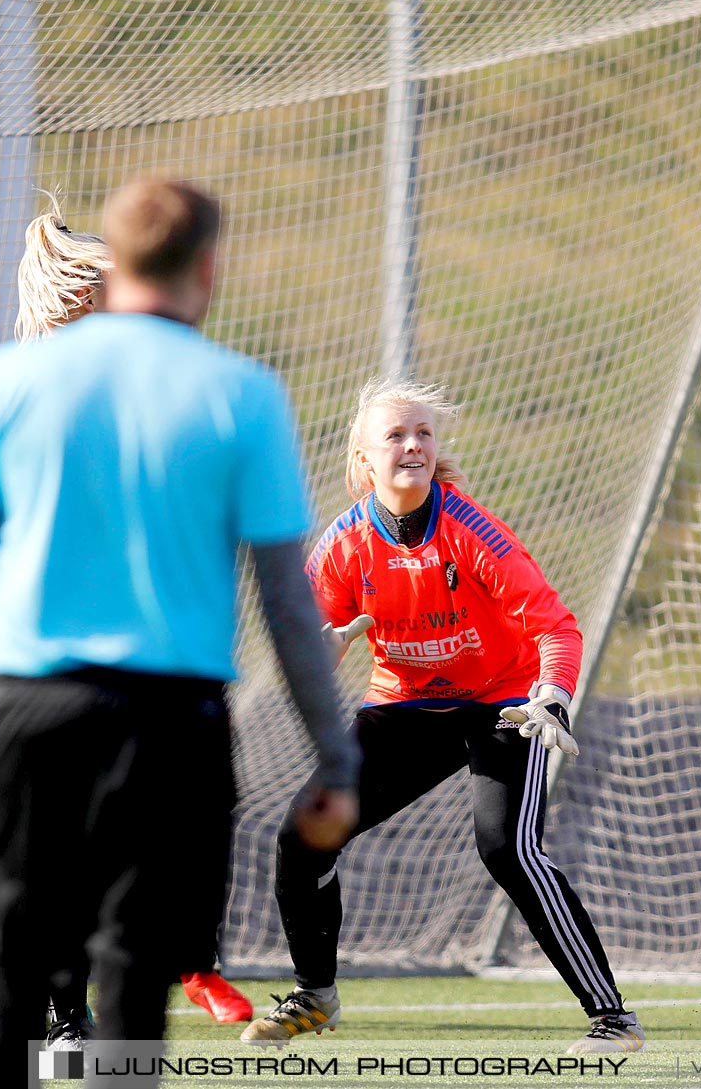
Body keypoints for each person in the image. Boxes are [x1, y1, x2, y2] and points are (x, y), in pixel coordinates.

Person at [0, 174, 360, 1089]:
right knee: (133, 976)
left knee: (17, 952)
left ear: (114, 264)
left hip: (29, 707)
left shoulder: (11, 379)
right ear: (208, 263)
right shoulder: (244, 392)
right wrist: (335, 759)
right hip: (173, 720)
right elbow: (287, 602)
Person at [245, 377, 642, 1056]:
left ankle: (613, 1018)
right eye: (396, 435)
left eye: (423, 433)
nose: (413, 445)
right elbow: (299, 640)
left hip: (505, 701)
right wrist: (323, 648)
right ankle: (316, 994)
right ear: (365, 457)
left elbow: (557, 628)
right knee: (303, 833)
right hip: (405, 705)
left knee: (507, 847)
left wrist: (553, 696)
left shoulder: (472, 530)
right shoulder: (343, 546)